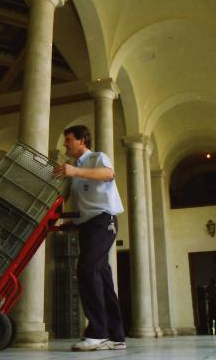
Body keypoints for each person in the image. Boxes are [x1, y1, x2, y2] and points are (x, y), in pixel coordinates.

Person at [53, 125, 126, 351]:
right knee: (102, 279)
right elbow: (87, 204)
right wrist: (73, 224)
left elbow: (108, 175)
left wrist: (74, 172)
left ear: (82, 140)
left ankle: (97, 333)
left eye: (69, 140)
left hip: (104, 222)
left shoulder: (97, 158)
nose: (65, 144)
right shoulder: (75, 169)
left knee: (86, 269)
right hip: (88, 226)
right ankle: (116, 336)